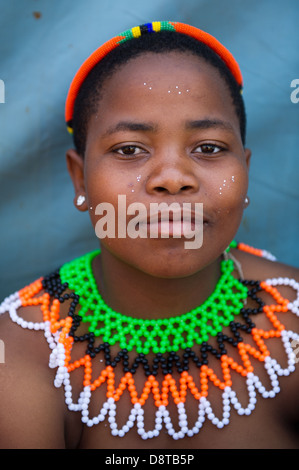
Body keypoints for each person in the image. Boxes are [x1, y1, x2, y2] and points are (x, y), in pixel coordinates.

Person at [0, 21, 298, 450]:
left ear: (245, 172)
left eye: (209, 148)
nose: (173, 179)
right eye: (129, 150)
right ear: (80, 180)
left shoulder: (290, 323)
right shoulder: (22, 356)